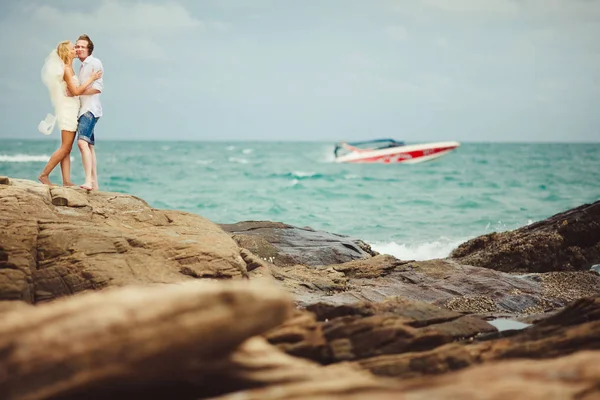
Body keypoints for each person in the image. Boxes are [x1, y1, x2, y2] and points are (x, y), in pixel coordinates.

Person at [38, 40, 102, 187]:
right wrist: (91, 79)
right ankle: (44, 175)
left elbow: (73, 91)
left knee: (66, 148)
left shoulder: (70, 68)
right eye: (73, 48)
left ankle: (66, 181)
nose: (76, 50)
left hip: (72, 110)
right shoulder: (66, 69)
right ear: (67, 52)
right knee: (65, 147)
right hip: (67, 111)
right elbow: (76, 91)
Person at [74, 34, 104, 191]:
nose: (78, 49)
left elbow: (98, 88)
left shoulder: (94, 62)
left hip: (90, 110)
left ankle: (88, 181)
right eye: (77, 46)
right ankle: (95, 183)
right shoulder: (81, 66)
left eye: (82, 47)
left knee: (81, 142)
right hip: (83, 110)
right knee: (89, 146)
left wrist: (78, 91)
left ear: (89, 49)